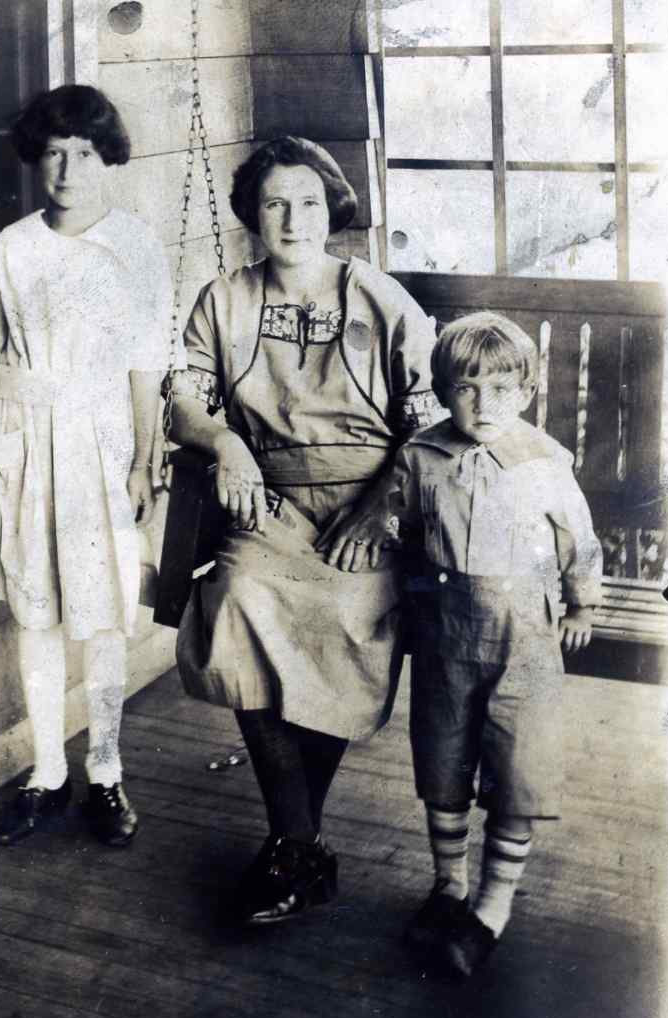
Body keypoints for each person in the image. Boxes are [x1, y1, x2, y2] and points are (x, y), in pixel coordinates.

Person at [169, 136, 438, 924]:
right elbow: (184, 399)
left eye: (309, 203)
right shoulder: (224, 299)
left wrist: (381, 508)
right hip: (270, 504)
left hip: (371, 504)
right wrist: (224, 444)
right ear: (253, 215)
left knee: (346, 618)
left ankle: (294, 845)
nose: (293, 219)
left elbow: (429, 427)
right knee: (237, 599)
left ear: (333, 210)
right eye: (275, 203)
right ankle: (298, 841)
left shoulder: (379, 297)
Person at [0, 85, 176, 847]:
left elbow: (148, 364)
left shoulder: (135, 247)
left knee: (103, 609)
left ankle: (106, 769)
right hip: (24, 438)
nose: (67, 170)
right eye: (54, 153)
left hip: (102, 440)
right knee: (37, 608)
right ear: (36, 160)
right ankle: (48, 773)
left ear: (106, 158)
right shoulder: (12, 249)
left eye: (84, 153)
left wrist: (144, 459)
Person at [392, 311, 603, 977]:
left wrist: (582, 602)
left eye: (502, 389)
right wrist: (413, 601)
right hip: (446, 637)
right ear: (443, 391)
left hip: (524, 639)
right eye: (466, 388)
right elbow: (405, 533)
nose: (484, 405)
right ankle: (449, 886)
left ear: (527, 391)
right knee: (444, 759)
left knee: (517, 767)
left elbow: (577, 538)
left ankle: (493, 905)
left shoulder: (543, 463)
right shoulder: (422, 457)